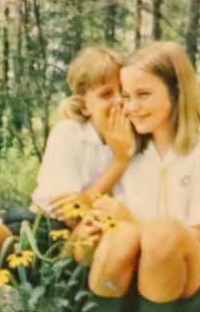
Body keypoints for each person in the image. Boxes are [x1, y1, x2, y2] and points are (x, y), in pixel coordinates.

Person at [83, 41, 200, 312]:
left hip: (195, 276)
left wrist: (132, 221)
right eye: (126, 97)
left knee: (162, 231)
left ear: (177, 92)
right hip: (136, 277)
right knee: (120, 234)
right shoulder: (128, 151)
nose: (131, 107)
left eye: (143, 95)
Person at [33, 45, 134, 214]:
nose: (119, 101)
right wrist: (120, 161)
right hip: (51, 226)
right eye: (106, 94)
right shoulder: (68, 134)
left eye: (123, 92)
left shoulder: (141, 134)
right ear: (84, 105)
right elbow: (70, 212)